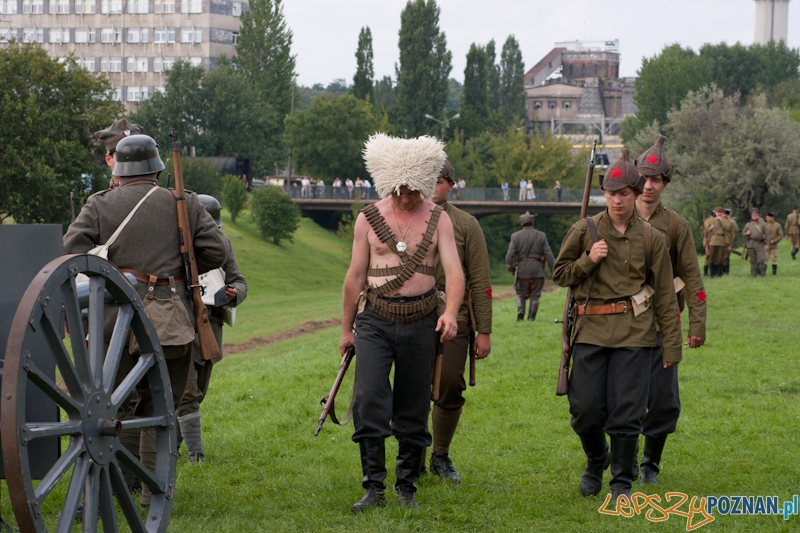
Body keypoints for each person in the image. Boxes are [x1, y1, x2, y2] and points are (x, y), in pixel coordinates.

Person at [63, 134, 226, 506]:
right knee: (160, 407)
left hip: (110, 321)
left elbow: (71, 250)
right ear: (157, 169)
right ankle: (154, 495)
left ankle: (108, 485)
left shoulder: (99, 204)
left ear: (118, 170)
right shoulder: (183, 203)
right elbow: (216, 252)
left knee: (111, 407)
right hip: (168, 319)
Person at [340, 134, 464, 511]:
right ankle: (373, 487)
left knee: (413, 405)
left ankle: (406, 486)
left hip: (421, 320)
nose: (405, 198)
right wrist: (346, 330)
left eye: (412, 190)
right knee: (369, 399)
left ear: (424, 184)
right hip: (375, 320)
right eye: (398, 191)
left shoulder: (438, 219)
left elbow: (455, 273)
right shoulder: (368, 217)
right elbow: (354, 277)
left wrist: (450, 313)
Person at [552, 149, 682, 502]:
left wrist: (671, 347)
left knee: (627, 413)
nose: (617, 200)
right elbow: (560, 275)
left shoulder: (654, 238)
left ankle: (621, 484)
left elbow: (667, 297)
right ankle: (596, 461)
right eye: (611, 194)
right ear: (604, 195)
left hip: (635, 334)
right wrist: (587, 259)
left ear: (636, 194)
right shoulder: (585, 230)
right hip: (590, 331)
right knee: (585, 410)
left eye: (624, 194)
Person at [634, 135, 706, 485]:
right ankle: (621, 459)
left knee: (662, 399)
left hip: (663, 322)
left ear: (665, 184)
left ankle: (650, 464)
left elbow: (692, 277)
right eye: (644, 179)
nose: (649, 186)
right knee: (620, 395)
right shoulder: (613, 216)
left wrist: (697, 325)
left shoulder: (676, 225)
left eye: (656, 180)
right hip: (618, 324)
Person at [428, 160, 492, 483]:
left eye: (438, 181)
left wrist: (484, 331)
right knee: (410, 390)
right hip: (412, 313)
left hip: (457, 314)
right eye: (426, 179)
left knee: (450, 384)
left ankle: (439, 454)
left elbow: (481, 280)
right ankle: (409, 454)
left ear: (451, 185)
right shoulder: (405, 221)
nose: (431, 186)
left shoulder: (466, 225)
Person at [177, 194, 247, 463]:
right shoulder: (176, 246)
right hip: (181, 323)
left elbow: (240, 281)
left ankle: (168, 449)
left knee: (198, 393)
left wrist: (233, 293)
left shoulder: (223, 245)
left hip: (211, 325)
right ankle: (196, 456)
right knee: (188, 394)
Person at [505, 211, 555, 321]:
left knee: (521, 293)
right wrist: (554, 271)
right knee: (535, 295)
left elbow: (509, 256)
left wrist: (511, 268)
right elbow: (549, 255)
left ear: (522, 224)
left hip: (522, 270)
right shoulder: (541, 235)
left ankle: (521, 310)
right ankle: (531, 318)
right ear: (532, 223)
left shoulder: (515, 236)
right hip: (537, 270)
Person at [94, 118, 145, 188]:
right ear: (109, 159)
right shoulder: (103, 198)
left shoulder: (161, 196)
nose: (131, 159)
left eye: (136, 153)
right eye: (124, 155)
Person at [743, 208, 769, 277]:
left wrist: (767, 244)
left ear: (758, 216)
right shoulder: (748, 225)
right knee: (752, 260)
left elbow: (767, 234)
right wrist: (746, 233)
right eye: (753, 216)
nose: (754, 217)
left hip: (759, 244)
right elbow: (743, 233)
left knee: (761, 259)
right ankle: (753, 275)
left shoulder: (763, 225)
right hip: (750, 244)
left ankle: (762, 274)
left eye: (756, 215)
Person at [705, 207, 727, 278]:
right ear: (715, 213)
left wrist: (722, 221)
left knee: (720, 257)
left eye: (720, 212)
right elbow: (706, 231)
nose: (719, 214)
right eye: (718, 212)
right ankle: (712, 273)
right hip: (713, 240)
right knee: (712, 257)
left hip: (721, 240)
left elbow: (728, 228)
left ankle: (719, 273)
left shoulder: (724, 220)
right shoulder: (712, 220)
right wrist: (711, 228)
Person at [721, 208, 737, 275]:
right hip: (719, 241)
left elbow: (734, 231)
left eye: (725, 214)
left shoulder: (731, 222)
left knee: (725, 257)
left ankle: (726, 271)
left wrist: (730, 245)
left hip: (727, 241)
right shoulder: (717, 220)